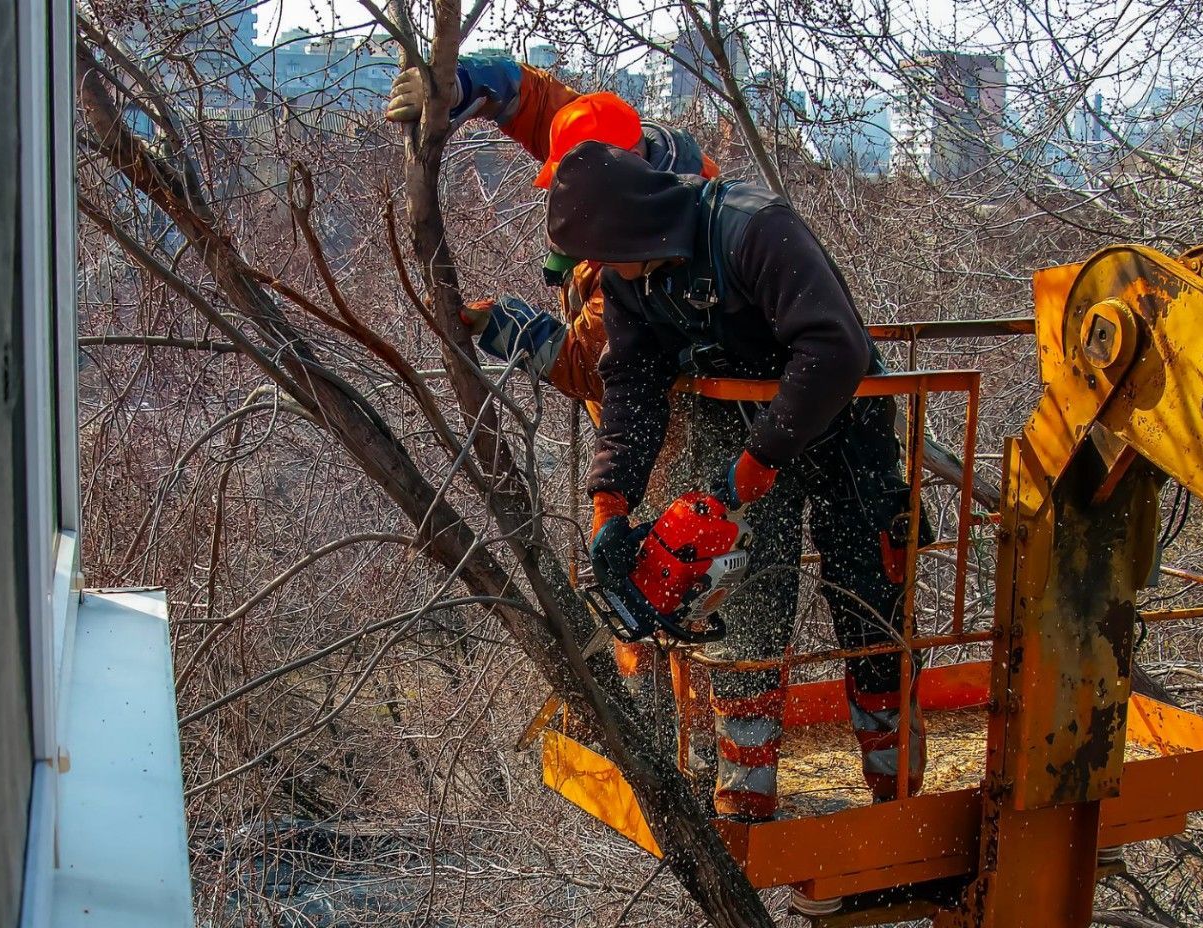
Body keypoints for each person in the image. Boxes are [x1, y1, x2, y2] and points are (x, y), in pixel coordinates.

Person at [549, 140, 926, 821]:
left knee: (869, 600)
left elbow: (833, 345)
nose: (603, 273)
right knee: (744, 605)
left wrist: (759, 462)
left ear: (631, 225)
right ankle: (745, 788)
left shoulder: (753, 228)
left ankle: (893, 792)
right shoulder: (635, 280)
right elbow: (632, 385)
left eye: (605, 257)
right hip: (738, 425)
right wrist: (611, 504)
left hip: (843, 418)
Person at [388, 56, 720, 686]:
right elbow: (542, 105)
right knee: (638, 578)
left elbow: (597, 365)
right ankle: (652, 693)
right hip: (637, 427)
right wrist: (465, 84)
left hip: (673, 433)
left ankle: (678, 723)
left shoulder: (656, 246)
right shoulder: (619, 146)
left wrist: (513, 329)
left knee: (663, 583)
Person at [385, 55, 718, 408]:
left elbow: (593, 367)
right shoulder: (608, 146)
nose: (567, 195)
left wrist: (502, 323)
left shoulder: (662, 254)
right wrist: (459, 85)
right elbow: (535, 98)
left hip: (670, 424)